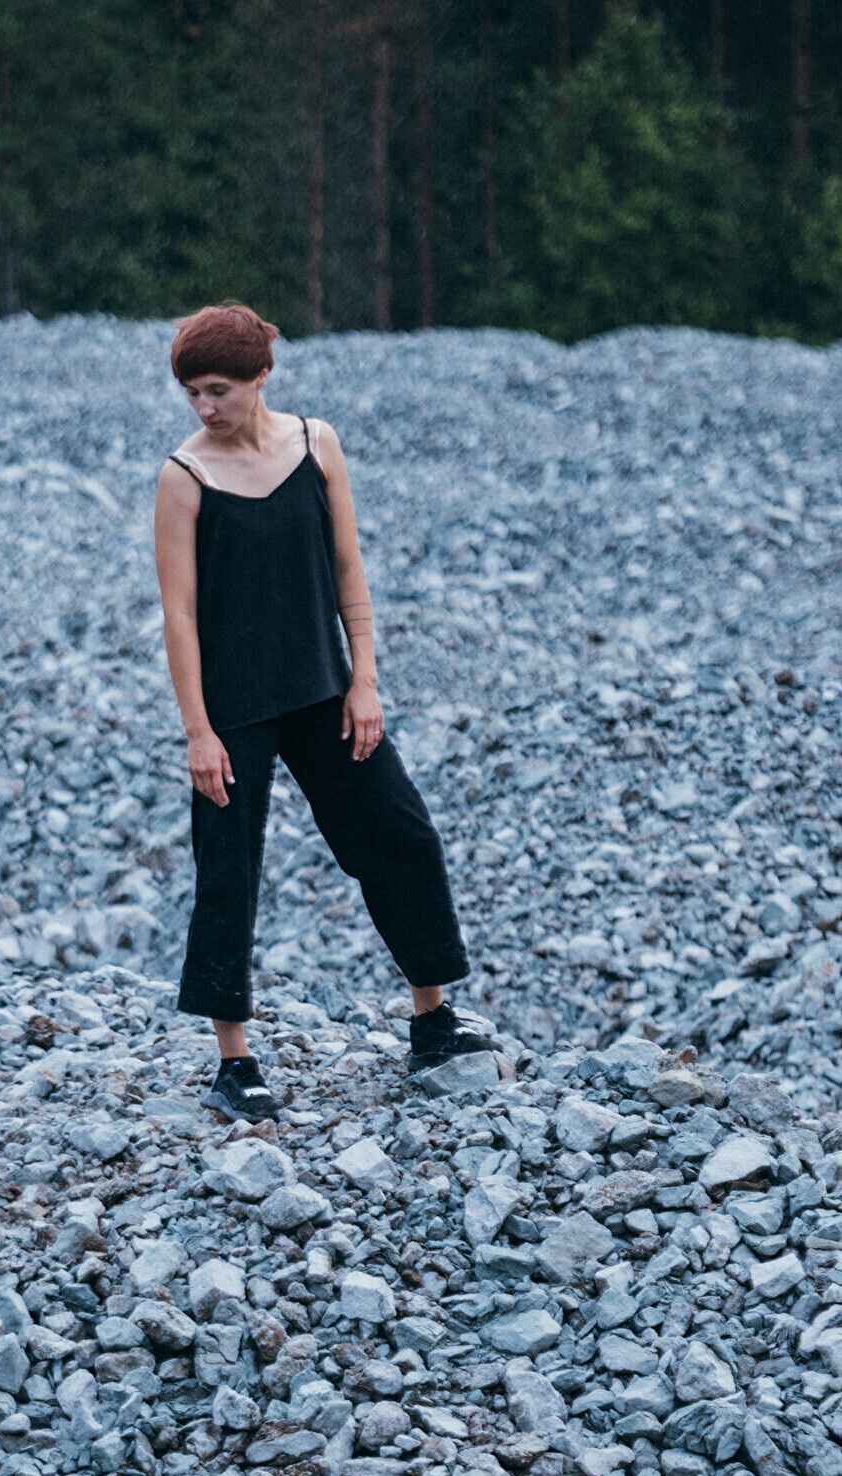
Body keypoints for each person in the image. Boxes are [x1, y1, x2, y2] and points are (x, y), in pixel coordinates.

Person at [152, 301, 491, 1120]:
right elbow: (179, 616)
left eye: (218, 389)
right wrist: (198, 732)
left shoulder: (316, 444)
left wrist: (364, 680)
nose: (203, 406)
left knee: (399, 835)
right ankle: (234, 1063)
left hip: (323, 690)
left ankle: (431, 1019)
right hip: (233, 711)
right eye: (192, 392)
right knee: (228, 872)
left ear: (261, 377)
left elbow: (347, 569)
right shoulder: (183, 477)